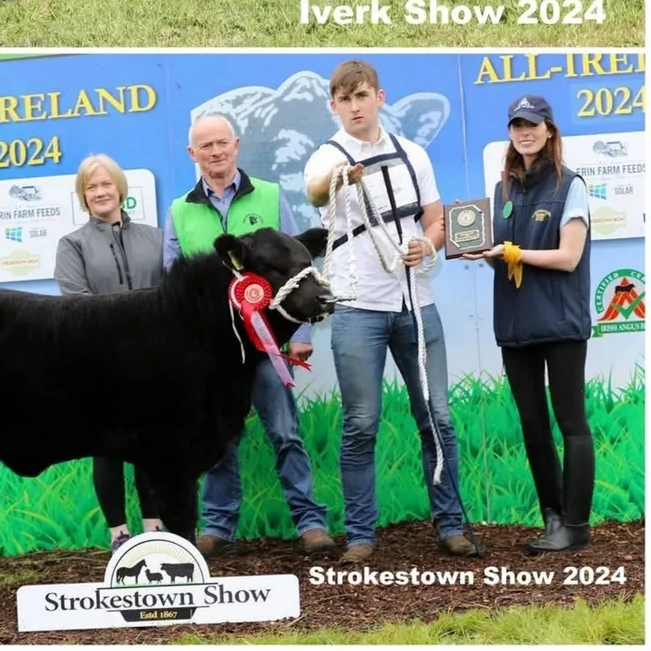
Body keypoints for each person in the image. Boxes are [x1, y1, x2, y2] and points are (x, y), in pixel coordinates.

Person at [303, 59, 475, 564]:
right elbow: (316, 190)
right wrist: (340, 178)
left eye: (362, 96)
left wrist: (428, 243)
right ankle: (360, 537)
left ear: (379, 98)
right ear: (333, 106)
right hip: (358, 307)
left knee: (438, 419)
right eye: (345, 99)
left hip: (416, 302)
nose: (355, 107)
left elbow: (435, 219)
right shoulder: (326, 157)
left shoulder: (413, 153)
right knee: (361, 424)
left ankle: (451, 526)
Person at [163, 113, 334, 558]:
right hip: (212, 356)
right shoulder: (179, 211)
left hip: (266, 346)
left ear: (236, 144)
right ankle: (218, 526)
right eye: (206, 146)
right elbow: (173, 285)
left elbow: (300, 268)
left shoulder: (271, 196)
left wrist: (300, 332)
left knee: (286, 432)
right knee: (217, 439)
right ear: (193, 154)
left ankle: (310, 523)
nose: (216, 152)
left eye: (222, 142)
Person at [463, 95, 593, 553]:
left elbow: (569, 256)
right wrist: (485, 253)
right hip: (515, 325)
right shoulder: (501, 191)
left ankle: (576, 525)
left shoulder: (570, 185)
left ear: (549, 130)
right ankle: (553, 518)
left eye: (533, 124)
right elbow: (502, 255)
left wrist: (515, 253)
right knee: (533, 425)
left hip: (560, 322)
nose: (525, 132)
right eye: (517, 125)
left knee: (571, 422)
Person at [54, 153, 164, 552]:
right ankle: (119, 535)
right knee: (107, 449)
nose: (100, 192)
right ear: (83, 196)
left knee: (152, 447)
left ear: (120, 188)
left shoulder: (157, 238)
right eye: (91, 187)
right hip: (99, 366)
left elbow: (171, 298)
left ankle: (155, 531)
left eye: (106, 184)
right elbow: (77, 305)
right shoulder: (72, 245)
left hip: (152, 364)